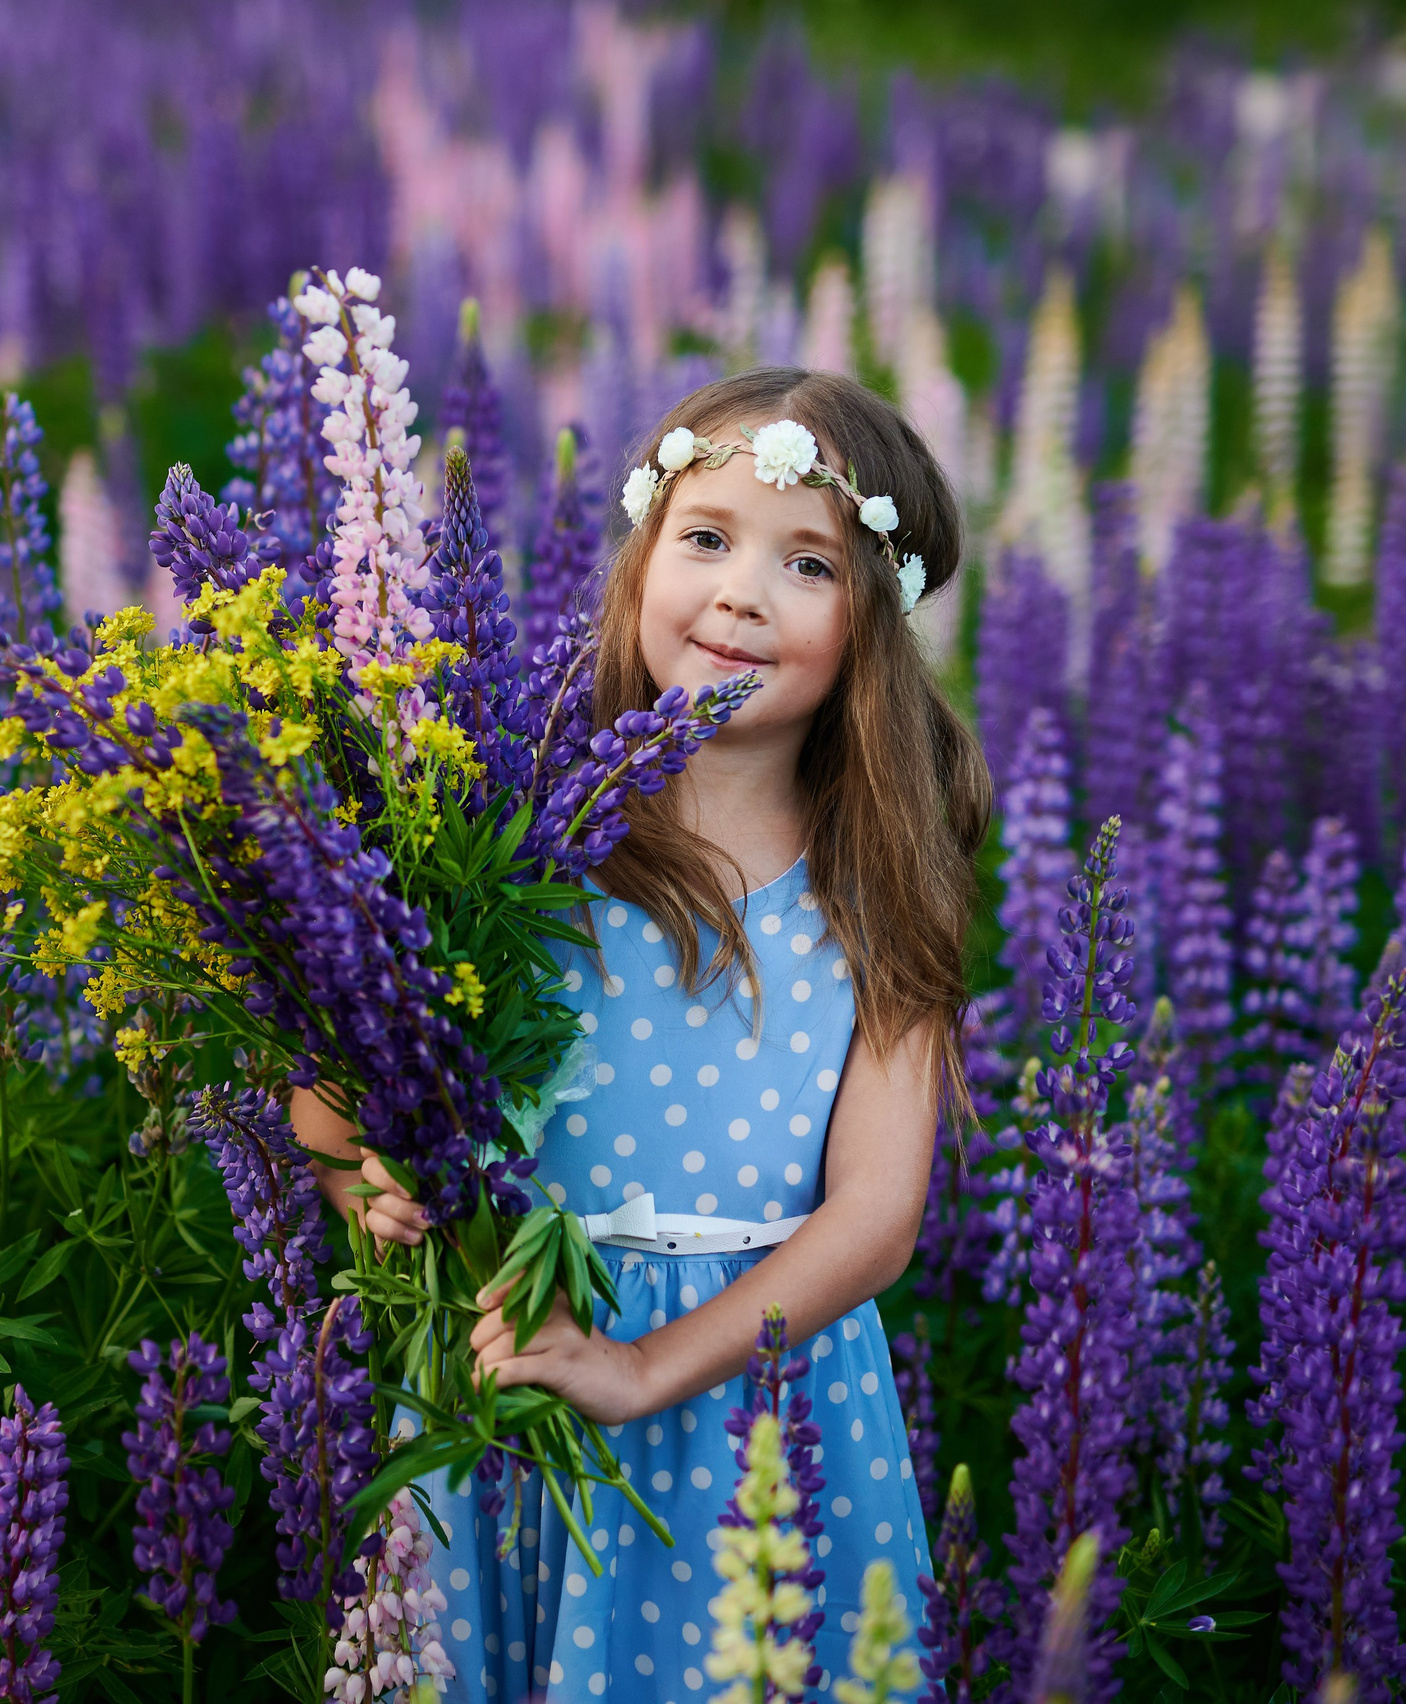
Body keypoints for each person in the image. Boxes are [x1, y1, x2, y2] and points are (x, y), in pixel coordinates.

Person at [295, 367, 991, 1703]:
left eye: (807, 564)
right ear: (641, 558)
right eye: (707, 538)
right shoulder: (519, 832)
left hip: (758, 1414)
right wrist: (360, 1175)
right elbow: (339, 1079)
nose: (740, 591)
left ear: (872, 629)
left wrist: (645, 1367)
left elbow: (878, 1214)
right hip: (513, 1386)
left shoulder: (876, 886)